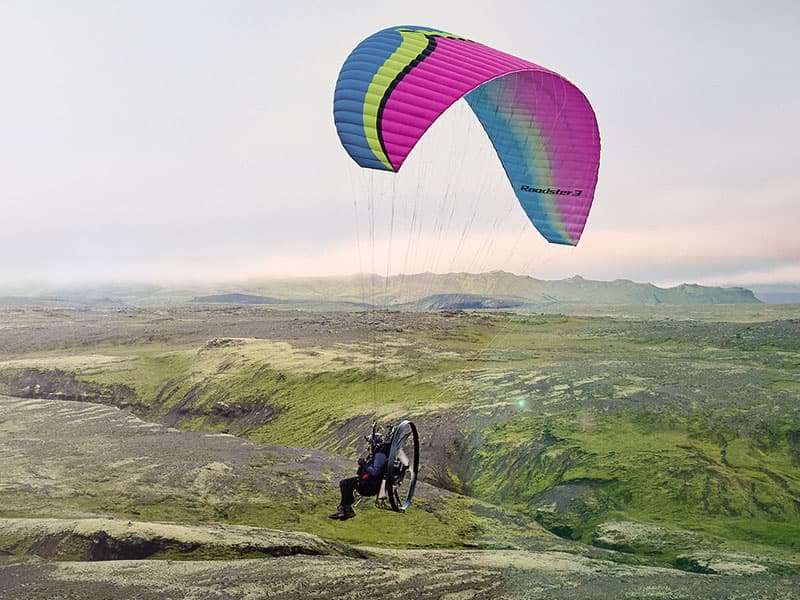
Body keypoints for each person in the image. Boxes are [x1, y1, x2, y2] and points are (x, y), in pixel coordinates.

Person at [329, 428, 389, 520]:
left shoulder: (379, 454)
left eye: (369, 443)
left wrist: (364, 464)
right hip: (369, 482)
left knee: (344, 484)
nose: (368, 445)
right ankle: (344, 510)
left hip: (370, 485)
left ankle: (346, 510)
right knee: (346, 484)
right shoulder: (377, 453)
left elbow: (375, 471)